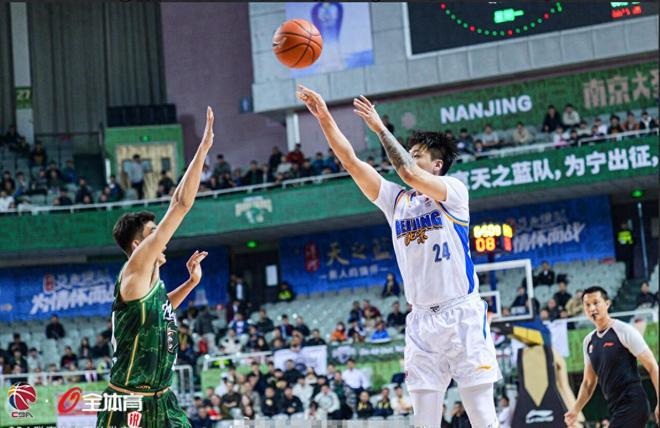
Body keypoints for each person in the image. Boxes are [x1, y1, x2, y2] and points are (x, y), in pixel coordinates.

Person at [297, 85, 501, 427]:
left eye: (417, 153)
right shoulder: (396, 201)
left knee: (482, 417)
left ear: (437, 165)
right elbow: (350, 161)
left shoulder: (453, 191)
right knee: (424, 422)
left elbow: (407, 171)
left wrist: (380, 128)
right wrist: (324, 118)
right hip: (421, 320)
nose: (409, 156)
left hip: (461, 314)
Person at [95, 107, 215, 428]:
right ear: (138, 246)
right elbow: (181, 204)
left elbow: (162, 310)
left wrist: (190, 283)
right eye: (153, 233)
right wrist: (203, 148)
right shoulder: (134, 270)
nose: (160, 236)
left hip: (163, 401)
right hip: (128, 403)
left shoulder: (150, 284)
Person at [564, 286, 659, 428]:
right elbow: (588, 383)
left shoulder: (624, 331)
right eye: (587, 305)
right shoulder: (588, 341)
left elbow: (653, 367)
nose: (592, 308)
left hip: (634, 404)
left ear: (607, 303)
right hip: (615, 408)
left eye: (596, 303)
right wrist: (575, 410)